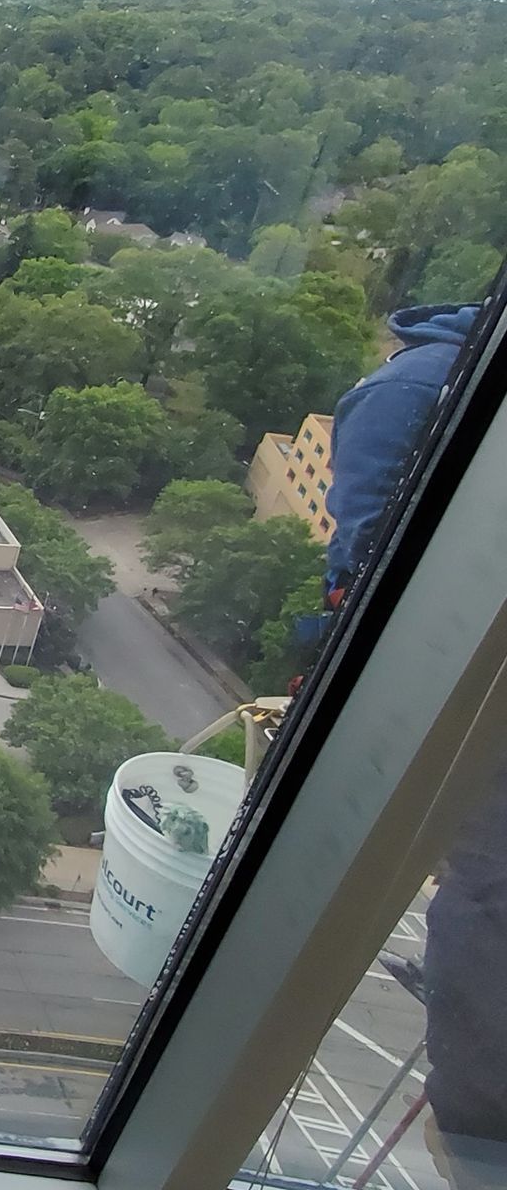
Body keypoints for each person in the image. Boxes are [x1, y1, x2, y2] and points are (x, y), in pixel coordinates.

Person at [325, 300, 506, 1185]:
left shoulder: (412, 392)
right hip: (472, 694)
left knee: (486, 893)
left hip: (469, 702)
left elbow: (361, 569)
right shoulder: (426, 394)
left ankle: (479, 1129)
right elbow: (372, 572)